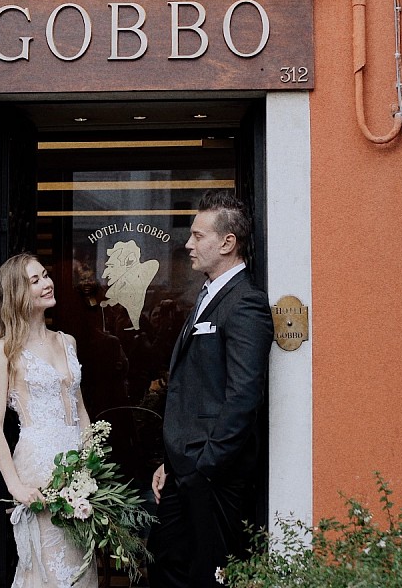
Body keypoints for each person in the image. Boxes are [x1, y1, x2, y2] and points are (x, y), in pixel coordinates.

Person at [148, 191, 273, 588]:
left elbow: (243, 398)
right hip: (184, 470)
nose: (188, 244)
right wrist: (173, 464)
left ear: (227, 243)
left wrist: (205, 467)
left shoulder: (246, 303)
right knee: (166, 565)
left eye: (198, 236)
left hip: (212, 475)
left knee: (210, 576)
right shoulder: (207, 296)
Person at [0, 253, 99, 588]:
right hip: (38, 468)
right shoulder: (4, 350)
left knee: (81, 569)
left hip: (77, 469)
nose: (47, 283)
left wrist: (91, 463)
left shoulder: (67, 341)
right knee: (47, 570)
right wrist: (15, 485)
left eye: (45, 275)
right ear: (18, 293)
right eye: (35, 281)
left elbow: (80, 409)